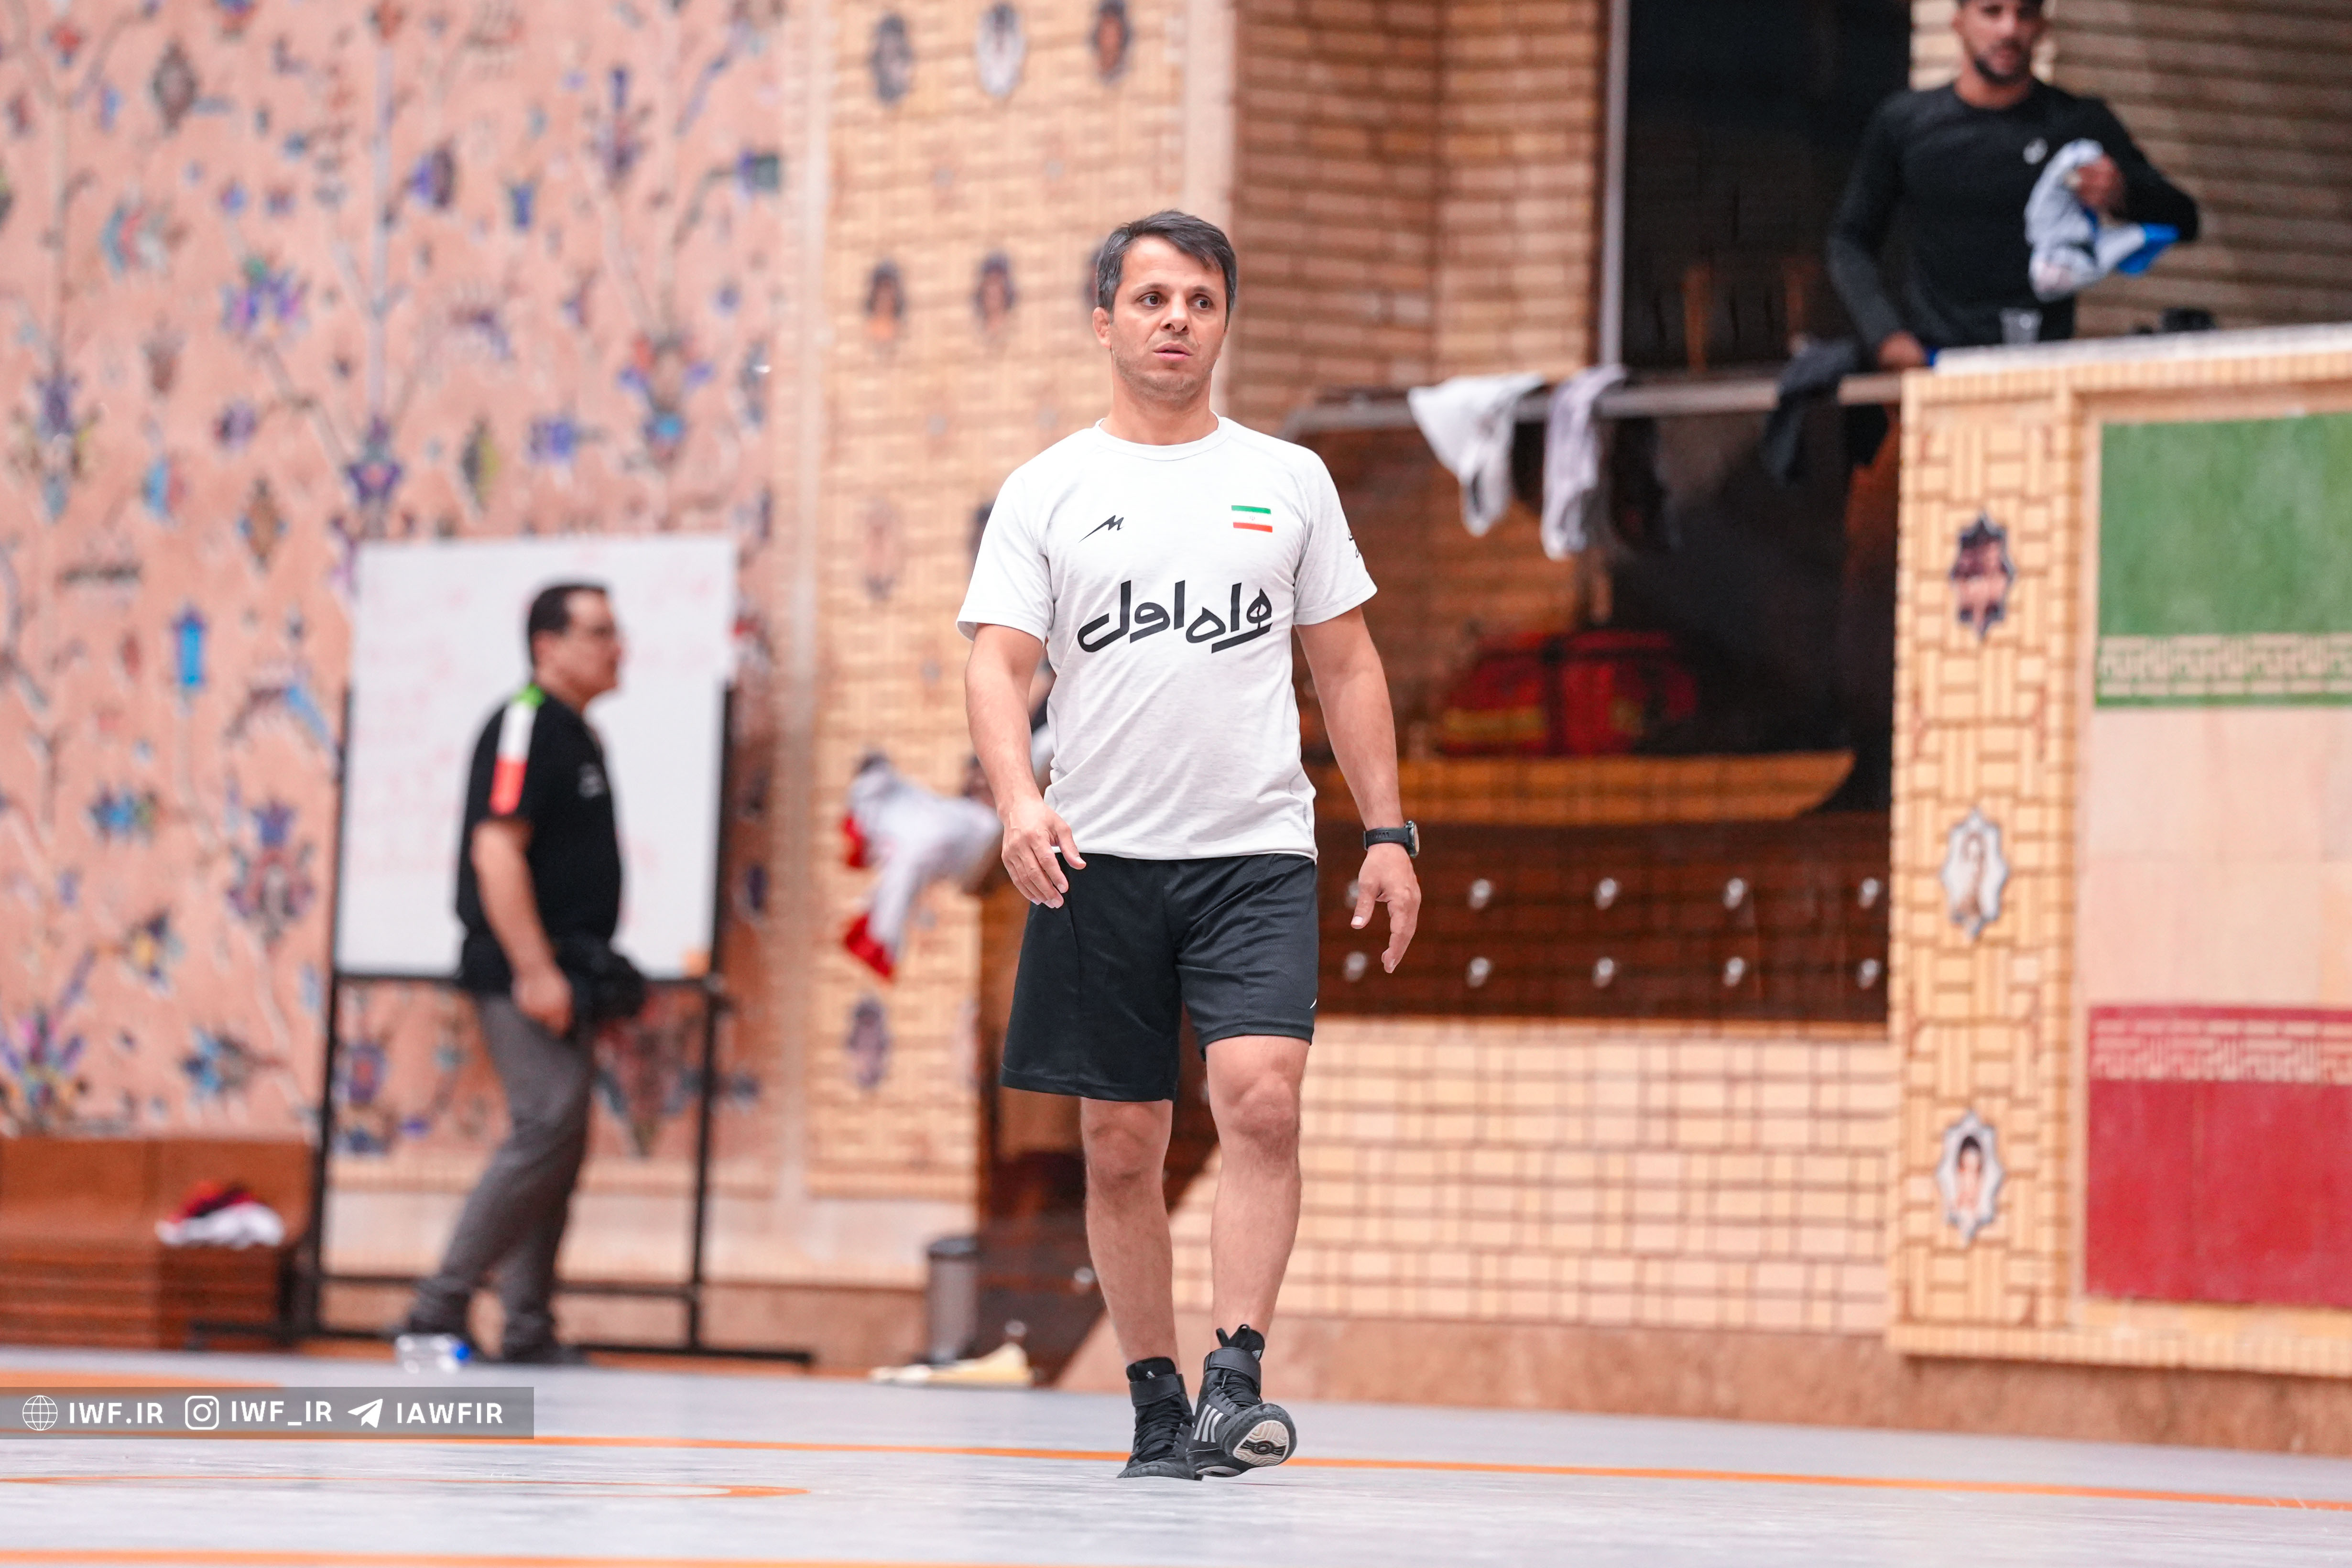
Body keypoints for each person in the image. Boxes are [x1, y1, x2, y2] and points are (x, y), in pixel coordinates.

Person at [959, 211, 1422, 1481]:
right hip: (1096, 859)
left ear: (1224, 322)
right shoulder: (1049, 489)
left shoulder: (1289, 479)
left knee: (1263, 1097)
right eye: (1152, 298)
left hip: (1255, 854)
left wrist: (1388, 832)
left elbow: (1348, 665)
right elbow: (998, 666)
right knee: (1121, 1144)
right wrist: (1018, 801)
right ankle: (1156, 1399)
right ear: (1104, 319)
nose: (1177, 319)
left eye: (1201, 300)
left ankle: (1235, 1379)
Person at [399, 582, 628, 1365]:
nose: (617, 647)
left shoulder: (576, 732)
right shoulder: (526, 721)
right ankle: (435, 1310)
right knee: (546, 1126)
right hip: (523, 969)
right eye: (599, 632)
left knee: (560, 1143)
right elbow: (496, 851)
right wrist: (534, 970)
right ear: (547, 647)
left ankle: (527, 1327)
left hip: (569, 968)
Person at [1828, 0, 2200, 366]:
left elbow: (2184, 218)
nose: (2009, 29)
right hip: (1938, 364)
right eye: (1992, 11)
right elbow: (1850, 240)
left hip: (2044, 364)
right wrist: (1886, 336)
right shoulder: (1906, 123)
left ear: (2042, 27)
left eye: (2025, 13)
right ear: (1959, 22)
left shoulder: (2077, 122)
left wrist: (2121, 193)